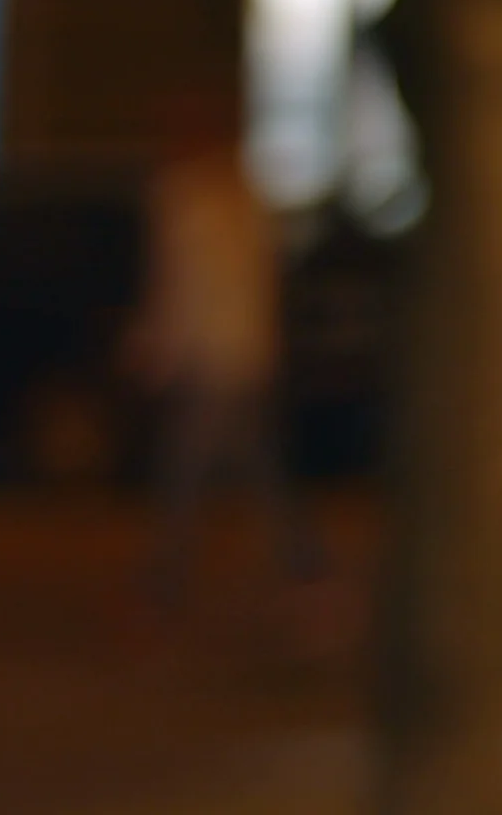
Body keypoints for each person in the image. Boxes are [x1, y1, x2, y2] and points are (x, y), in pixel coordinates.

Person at [130, 99, 325, 616]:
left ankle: (168, 575)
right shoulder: (238, 198)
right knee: (256, 465)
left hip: (218, 355)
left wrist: (162, 348)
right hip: (236, 353)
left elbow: (179, 286)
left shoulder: (192, 200)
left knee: (189, 465)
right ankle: (297, 561)